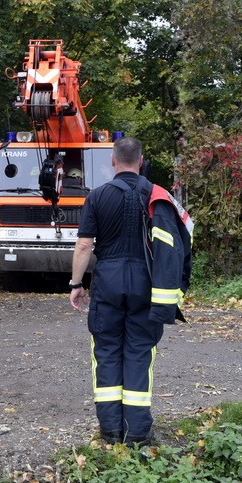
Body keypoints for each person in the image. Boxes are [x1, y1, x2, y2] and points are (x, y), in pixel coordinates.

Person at [69, 136, 192, 445]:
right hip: (146, 283)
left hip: (107, 281)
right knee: (138, 352)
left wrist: (76, 284)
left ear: (113, 161)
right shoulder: (157, 195)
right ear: (141, 161)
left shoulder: (96, 197)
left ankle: (110, 430)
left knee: (107, 350)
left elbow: (84, 244)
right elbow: (181, 241)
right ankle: (137, 431)